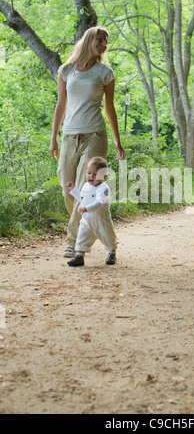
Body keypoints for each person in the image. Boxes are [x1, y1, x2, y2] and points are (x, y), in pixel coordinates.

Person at [49, 26, 125, 259]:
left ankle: (73, 242)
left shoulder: (105, 73)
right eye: (100, 39)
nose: (103, 44)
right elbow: (61, 105)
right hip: (69, 135)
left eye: (106, 41)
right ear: (89, 39)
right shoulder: (66, 70)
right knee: (67, 188)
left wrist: (117, 140)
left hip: (94, 134)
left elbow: (109, 108)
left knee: (85, 187)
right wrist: (53, 137)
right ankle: (87, 227)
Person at [66, 156, 117, 266]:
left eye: (95, 174)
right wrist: (73, 190)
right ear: (85, 172)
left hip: (101, 220)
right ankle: (79, 256)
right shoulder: (85, 186)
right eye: (89, 173)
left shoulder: (104, 188)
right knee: (82, 236)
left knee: (108, 236)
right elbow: (82, 198)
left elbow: (100, 202)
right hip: (87, 221)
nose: (91, 176)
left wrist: (87, 209)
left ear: (104, 176)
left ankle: (112, 253)